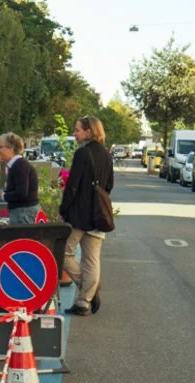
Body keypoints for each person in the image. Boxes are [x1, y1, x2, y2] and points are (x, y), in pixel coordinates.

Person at [59, 116, 113, 317]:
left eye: (78, 130)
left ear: (89, 132)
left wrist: (63, 210)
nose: (74, 134)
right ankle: (84, 300)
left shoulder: (82, 153)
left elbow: (72, 186)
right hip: (99, 214)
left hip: (79, 214)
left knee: (63, 252)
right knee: (92, 259)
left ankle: (87, 291)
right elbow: (109, 186)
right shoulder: (107, 155)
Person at [0, 132, 40, 225]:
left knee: (22, 239)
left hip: (24, 213)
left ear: (11, 149)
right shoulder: (17, 164)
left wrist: (1, 195)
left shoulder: (19, 165)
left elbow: (21, 193)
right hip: (22, 212)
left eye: (1, 147)